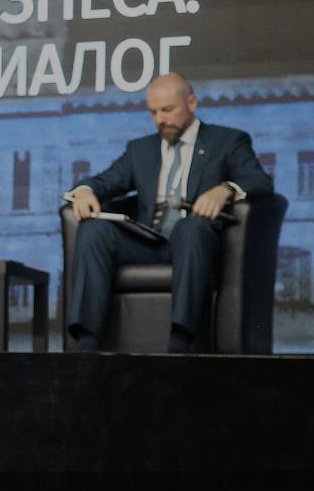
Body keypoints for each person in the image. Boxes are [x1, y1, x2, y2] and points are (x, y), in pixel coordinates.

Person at [64, 72, 273, 353]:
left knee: (192, 227)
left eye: (167, 110)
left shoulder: (227, 141)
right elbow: (105, 180)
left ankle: (180, 340)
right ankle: (87, 344)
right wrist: (84, 190)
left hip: (195, 242)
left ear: (191, 103)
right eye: (153, 112)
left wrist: (225, 189)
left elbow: (260, 181)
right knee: (94, 228)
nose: (160, 119)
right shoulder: (140, 149)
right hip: (148, 240)